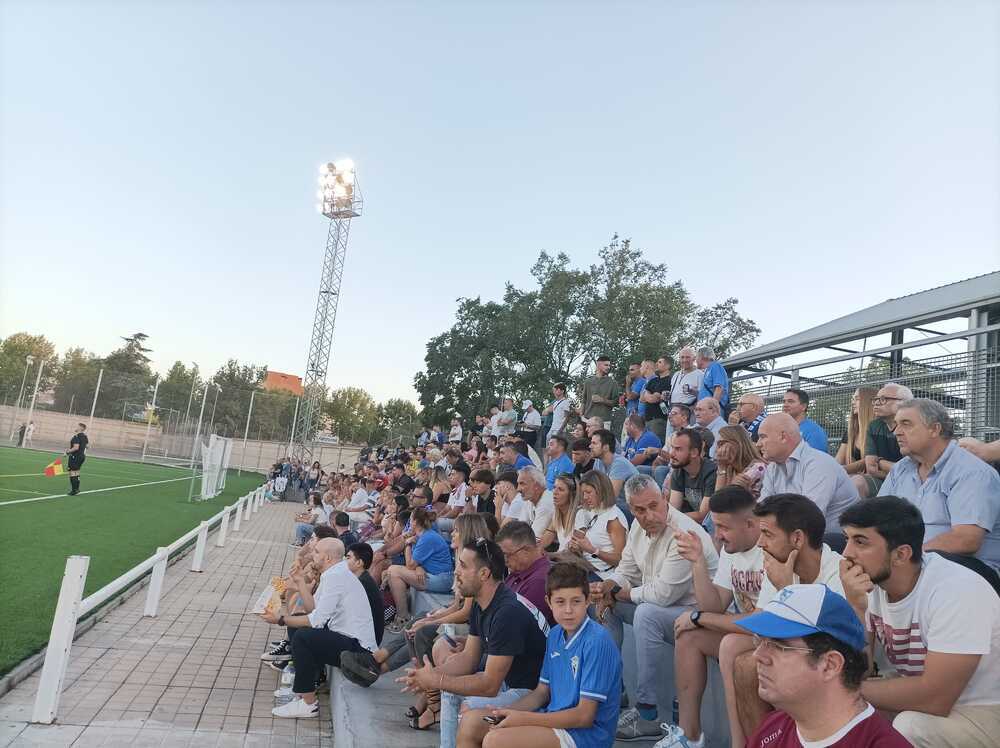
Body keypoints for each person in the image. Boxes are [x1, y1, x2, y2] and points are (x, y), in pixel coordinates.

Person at [839, 496, 1000, 747]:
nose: (847, 553)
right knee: (842, 713)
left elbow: (936, 698)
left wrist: (841, 692)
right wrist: (856, 609)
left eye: (860, 541)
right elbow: (862, 668)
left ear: (901, 554)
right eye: (846, 539)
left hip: (984, 710)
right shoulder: (870, 584)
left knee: (909, 726)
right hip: (930, 698)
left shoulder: (956, 591)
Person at [590, 474, 718, 741]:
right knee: (604, 605)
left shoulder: (683, 532)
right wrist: (608, 587)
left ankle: (647, 713)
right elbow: (626, 569)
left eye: (654, 505)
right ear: (631, 509)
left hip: (696, 614)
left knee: (646, 613)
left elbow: (662, 595)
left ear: (664, 498)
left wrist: (619, 592)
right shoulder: (639, 527)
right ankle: (614, 690)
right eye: (639, 510)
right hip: (663, 609)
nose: (648, 515)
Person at [719, 493, 846, 746]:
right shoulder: (779, 565)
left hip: (828, 662)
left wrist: (786, 588)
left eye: (767, 534)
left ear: (797, 538)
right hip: (795, 651)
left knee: (760, 664)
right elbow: (762, 628)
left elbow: (819, 643)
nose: (760, 544)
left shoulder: (838, 573)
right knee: (743, 662)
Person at [399, 538, 548, 748]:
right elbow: (469, 659)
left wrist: (436, 680)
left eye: (463, 565)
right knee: (450, 690)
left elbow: (489, 685)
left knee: (468, 706)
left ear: (484, 574)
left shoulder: (507, 612)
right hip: (510, 682)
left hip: (532, 693)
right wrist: (430, 675)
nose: (456, 571)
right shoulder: (483, 601)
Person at [460, 563, 623, 748]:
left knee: (495, 740)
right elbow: (541, 693)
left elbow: (584, 717)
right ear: (549, 602)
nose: (568, 610)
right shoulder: (554, 634)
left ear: (587, 602)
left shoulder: (597, 641)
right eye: (560, 602)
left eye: (576, 601)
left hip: (586, 736)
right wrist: (505, 711)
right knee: (471, 722)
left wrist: (522, 718)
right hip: (554, 719)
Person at [736, 584, 911, 748]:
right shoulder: (770, 729)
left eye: (778, 645)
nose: (758, 655)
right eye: (760, 641)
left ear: (830, 665)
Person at [664, 486, 764, 748]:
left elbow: (761, 623)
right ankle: (690, 736)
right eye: (715, 526)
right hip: (746, 630)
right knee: (688, 636)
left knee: (716, 637)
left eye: (723, 527)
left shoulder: (769, 549)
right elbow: (715, 604)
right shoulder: (731, 551)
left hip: (768, 634)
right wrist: (697, 563)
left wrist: (699, 618)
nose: (717, 536)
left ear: (750, 524)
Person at [879, 398, 1000, 574]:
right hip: (911, 561)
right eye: (896, 425)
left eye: (906, 424)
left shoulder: (971, 471)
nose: (896, 432)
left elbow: (966, 540)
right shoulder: (901, 469)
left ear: (935, 429)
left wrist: (905, 557)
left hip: (968, 570)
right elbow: (878, 517)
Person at [264, 538, 376, 718]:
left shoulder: (336, 576)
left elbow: (315, 620)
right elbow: (313, 610)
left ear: (328, 558)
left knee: (303, 636)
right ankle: (305, 688)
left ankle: (309, 704)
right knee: (299, 621)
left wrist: (281, 619)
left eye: (316, 552)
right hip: (346, 638)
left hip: (359, 651)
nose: (311, 554)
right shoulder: (333, 573)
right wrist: (300, 582)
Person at [758, 413, 859, 528]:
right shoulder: (772, 468)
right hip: (805, 537)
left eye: (763, 437)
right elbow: (762, 511)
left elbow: (807, 518)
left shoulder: (819, 464)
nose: (758, 444)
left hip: (837, 542)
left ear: (783, 437)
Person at [385, 506, 455, 630]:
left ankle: (403, 618)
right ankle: (402, 615)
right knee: (391, 571)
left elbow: (410, 565)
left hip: (442, 580)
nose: (409, 523)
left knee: (393, 571)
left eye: (411, 520)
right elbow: (415, 565)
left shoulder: (427, 537)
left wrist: (407, 544)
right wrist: (419, 568)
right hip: (436, 576)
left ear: (416, 522)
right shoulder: (423, 535)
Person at [567, 470, 627, 579]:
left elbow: (620, 560)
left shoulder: (613, 519)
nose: (584, 497)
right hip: (587, 567)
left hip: (603, 575)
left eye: (588, 492)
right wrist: (577, 547)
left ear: (601, 490)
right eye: (583, 493)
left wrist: (592, 550)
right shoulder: (596, 512)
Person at [856, 383, 911, 498]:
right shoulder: (874, 426)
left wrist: (880, 462)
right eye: (875, 399)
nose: (876, 403)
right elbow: (871, 469)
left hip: (913, 483)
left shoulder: (914, 427)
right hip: (882, 480)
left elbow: (913, 471)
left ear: (903, 403)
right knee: (856, 483)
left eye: (883, 399)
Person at [496, 520, 555, 625]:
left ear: (526, 551)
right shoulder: (519, 570)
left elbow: (515, 624)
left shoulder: (539, 582)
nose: (504, 560)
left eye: (507, 554)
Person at [667, 428, 717, 522]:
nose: (671, 454)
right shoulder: (678, 471)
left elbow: (703, 516)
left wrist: (672, 518)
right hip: (689, 522)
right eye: (672, 448)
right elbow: (673, 509)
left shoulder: (712, 472)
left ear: (694, 452)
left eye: (678, 449)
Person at [589, 428, 638, 514]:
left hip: (633, 507)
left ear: (606, 447)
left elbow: (611, 498)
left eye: (594, 443)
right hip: (618, 504)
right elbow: (594, 488)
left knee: (606, 508)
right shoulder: (598, 461)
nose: (590, 446)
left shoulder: (619, 464)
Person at [346, 542, 385, 647]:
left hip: (363, 642)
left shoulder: (362, 584)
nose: (345, 561)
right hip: (365, 636)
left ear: (359, 563)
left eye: (348, 558)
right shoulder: (362, 579)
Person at [713, 426, 767, 500]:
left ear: (739, 443)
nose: (718, 450)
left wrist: (733, 487)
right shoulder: (729, 468)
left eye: (722, 444)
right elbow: (716, 502)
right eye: (718, 445)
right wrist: (721, 468)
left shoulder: (758, 468)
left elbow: (721, 501)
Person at [835, 387, 877, 481]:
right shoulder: (851, 432)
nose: (853, 402)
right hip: (851, 477)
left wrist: (839, 470)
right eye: (853, 399)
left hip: (872, 479)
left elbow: (869, 461)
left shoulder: (878, 429)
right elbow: (838, 460)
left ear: (868, 402)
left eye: (857, 399)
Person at [513, 467, 556, 544]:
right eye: (518, 484)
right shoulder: (530, 498)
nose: (518, 489)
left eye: (522, 484)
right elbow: (519, 529)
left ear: (536, 485)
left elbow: (533, 538)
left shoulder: (547, 503)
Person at [540, 474, 581, 552]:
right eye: (554, 487)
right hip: (560, 560)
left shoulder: (580, 515)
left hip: (572, 562)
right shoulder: (557, 515)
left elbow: (574, 552)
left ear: (571, 494)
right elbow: (544, 541)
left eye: (561, 489)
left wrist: (550, 556)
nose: (555, 492)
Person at [782, 389, 829, 453]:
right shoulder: (781, 429)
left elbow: (816, 459)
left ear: (803, 406)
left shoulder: (814, 431)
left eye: (790, 401)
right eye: (784, 401)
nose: (785, 405)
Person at [640, 356, 674, 443]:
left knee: (656, 445)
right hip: (647, 420)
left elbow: (653, 399)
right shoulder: (653, 380)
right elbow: (642, 398)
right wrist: (652, 396)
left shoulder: (670, 381)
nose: (656, 364)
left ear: (667, 366)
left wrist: (650, 395)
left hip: (659, 420)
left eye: (659, 362)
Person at [580, 356, 621, 428]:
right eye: (606, 365)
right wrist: (581, 417)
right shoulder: (588, 382)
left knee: (601, 439)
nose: (608, 367)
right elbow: (583, 400)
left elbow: (616, 402)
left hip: (604, 421)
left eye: (609, 365)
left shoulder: (613, 383)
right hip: (587, 420)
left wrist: (602, 400)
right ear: (598, 364)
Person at [668, 348, 703, 426]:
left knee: (688, 436)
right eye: (682, 357)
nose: (684, 360)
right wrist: (666, 395)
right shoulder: (676, 374)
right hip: (673, 411)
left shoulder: (700, 374)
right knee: (671, 437)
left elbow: (703, 396)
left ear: (694, 358)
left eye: (687, 357)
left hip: (688, 414)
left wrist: (693, 409)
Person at [696, 347, 729, 416]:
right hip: (705, 410)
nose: (695, 360)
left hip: (711, 411)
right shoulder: (707, 370)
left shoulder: (715, 366)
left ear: (702, 357)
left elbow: (719, 388)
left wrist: (712, 408)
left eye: (697, 357)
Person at [66, 423, 88, 496]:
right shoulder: (85, 436)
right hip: (81, 457)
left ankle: (74, 490)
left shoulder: (76, 436)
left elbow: (76, 447)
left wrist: (68, 451)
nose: (76, 427)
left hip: (75, 457)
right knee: (77, 472)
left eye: (77, 426)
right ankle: (77, 489)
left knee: (72, 472)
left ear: (81, 428)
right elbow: (87, 446)